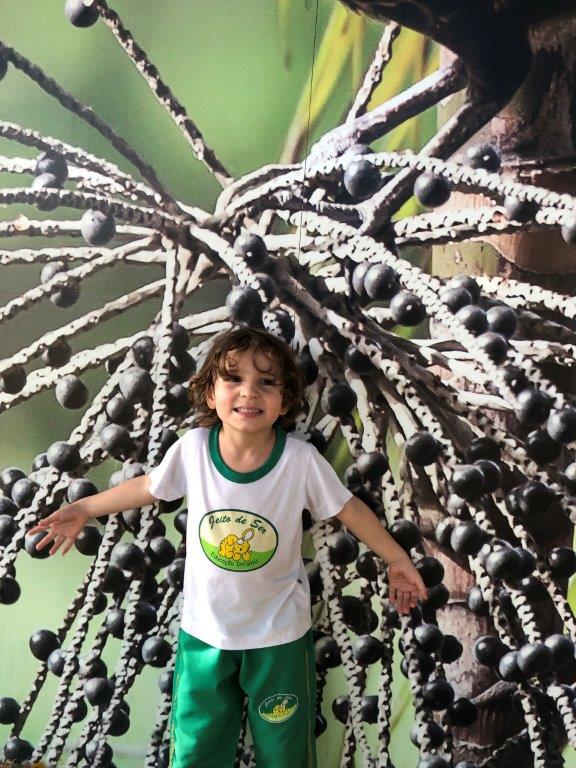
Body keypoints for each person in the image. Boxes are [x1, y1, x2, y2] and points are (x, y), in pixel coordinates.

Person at [27, 326, 427, 768]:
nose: (249, 392)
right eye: (234, 379)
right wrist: (85, 508)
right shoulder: (194, 449)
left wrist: (397, 558)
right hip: (205, 637)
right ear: (210, 393)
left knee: (286, 756)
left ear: (286, 401)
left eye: (266, 382)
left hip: (279, 640)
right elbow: (148, 487)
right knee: (196, 753)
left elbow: (349, 509)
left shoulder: (300, 461)